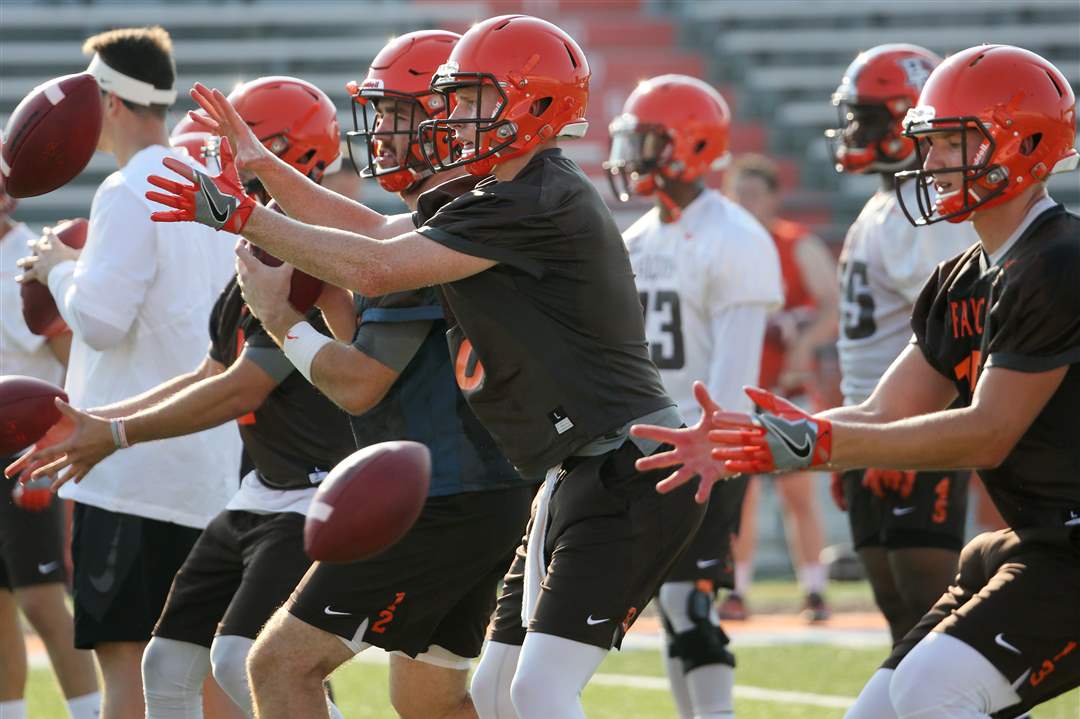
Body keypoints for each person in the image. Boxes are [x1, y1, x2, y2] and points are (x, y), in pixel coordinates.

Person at [143, 15, 705, 719]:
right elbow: (374, 230)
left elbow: (374, 268)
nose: (454, 117)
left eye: (471, 100)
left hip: (626, 463)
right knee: (496, 692)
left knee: (533, 690)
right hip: (574, 469)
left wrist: (239, 217)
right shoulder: (501, 191)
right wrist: (260, 166)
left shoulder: (531, 198)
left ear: (534, 104)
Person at [632, 44, 1080, 719]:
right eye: (927, 144)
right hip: (1033, 540)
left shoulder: (1058, 262)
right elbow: (886, 409)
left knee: (932, 693)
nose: (928, 163)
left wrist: (822, 445)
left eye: (950, 144)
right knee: (877, 710)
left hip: (1070, 544)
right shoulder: (961, 274)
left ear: (1023, 144)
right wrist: (763, 436)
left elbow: (988, 432)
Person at [17, 76, 354, 719]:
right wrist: (94, 420)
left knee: (240, 660)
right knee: (168, 662)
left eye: (229, 144)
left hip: (309, 489)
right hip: (260, 486)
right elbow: (210, 370)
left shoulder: (303, 251)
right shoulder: (261, 244)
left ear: (282, 150)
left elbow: (241, 388)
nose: (210, 160)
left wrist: (114, 436)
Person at [225, 31, 531, 719]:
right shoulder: (455, 212)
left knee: (278, 666)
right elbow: (368, 254)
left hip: (445, 494)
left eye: (398, 113)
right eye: (381, 112)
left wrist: (282, 320)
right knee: (430, 703)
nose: (383, 131)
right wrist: (327, 291)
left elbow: (361, 383)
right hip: (480, 488)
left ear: (450, 116)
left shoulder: (446, 227)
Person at [10, 27, 240, 719]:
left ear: (107, 101)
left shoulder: (125, 186)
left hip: (133, 468)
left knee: (131, 675)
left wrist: (57, 267)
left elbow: (103, 319)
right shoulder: (203, 181)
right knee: (207, 676)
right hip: (207, 459)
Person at [605, 74, 782, 719]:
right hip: (657, 439)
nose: (634, 154)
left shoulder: (734, 238)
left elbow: (735, 374)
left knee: (692, 602)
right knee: (671, 605)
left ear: (691, 144)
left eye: (648, 140)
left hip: (710, 443)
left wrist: (719, 445)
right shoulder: (639, 238)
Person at [825, 44, 978, 644]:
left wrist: (897, 439)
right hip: (872, 422)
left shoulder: (931, 214)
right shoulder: (884, 204)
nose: (853, 130)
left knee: (932, 611)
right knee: (896, 608)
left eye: (866, 117)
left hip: (911, 422)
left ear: (905, 118)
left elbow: (950, 339)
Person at [722, 154, 838, 621]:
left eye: (753, 193)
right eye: (738, 193)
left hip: (785, 389)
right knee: (740, 496)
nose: (745, 202)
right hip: (739, 387)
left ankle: (814, 588)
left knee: (797, 493)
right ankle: (737, 588)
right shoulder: (724, 246)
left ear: (772, 197)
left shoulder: (795, 244)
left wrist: (802, 346)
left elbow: (831, 307)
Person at [0, 182, 101, 719]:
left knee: (41, 596)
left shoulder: (27, 258)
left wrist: (51, 442)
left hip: (25, 444)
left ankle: (89, 711)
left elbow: (73, 363)